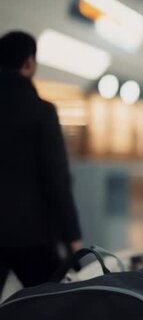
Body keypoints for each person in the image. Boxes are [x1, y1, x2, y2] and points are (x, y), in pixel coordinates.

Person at [0, 31, 82, 290]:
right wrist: (73, 236)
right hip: (33, 235)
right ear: (29, 63)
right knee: (50, 305)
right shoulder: (41, 111)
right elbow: (56, 177)